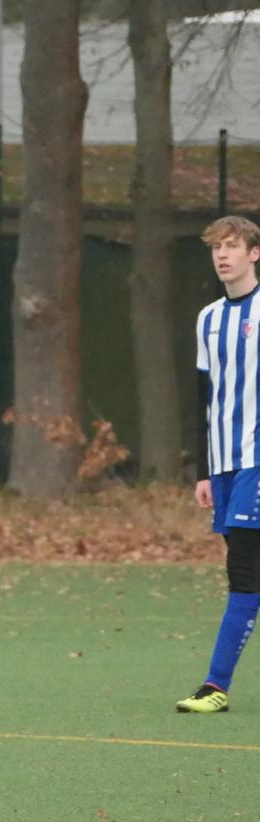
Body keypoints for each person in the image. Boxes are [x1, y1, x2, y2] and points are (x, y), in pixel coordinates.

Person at [178, 215, 260, 714]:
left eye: (233, 246)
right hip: (227, 464)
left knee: (245, 571)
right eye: (216, 248)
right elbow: (205, 397)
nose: (223, 255)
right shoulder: (208, 318)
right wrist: (205, 470)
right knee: (248, 570)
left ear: (255, 253)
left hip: (259, 459)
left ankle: (215, 686)